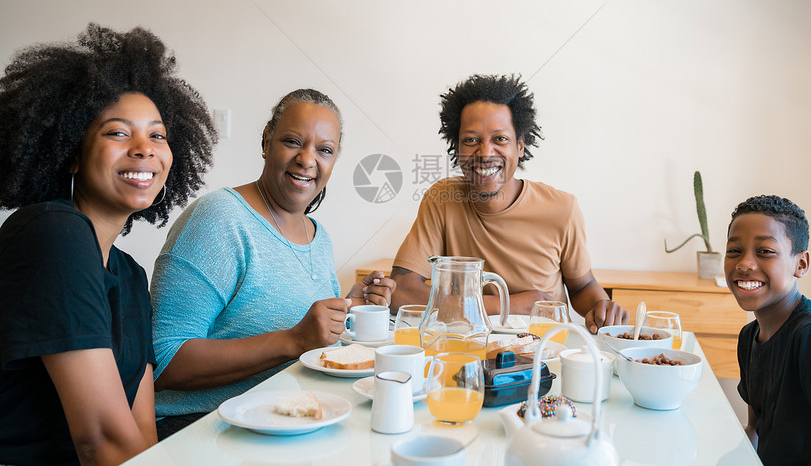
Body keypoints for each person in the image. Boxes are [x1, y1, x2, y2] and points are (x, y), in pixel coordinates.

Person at [0, 24, 217, 465]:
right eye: (118, 133)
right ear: (72, 152)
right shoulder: (51, 232)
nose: (144, 149)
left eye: (157, 135)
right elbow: (102, 441)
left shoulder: (130, 276)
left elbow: (140, 433)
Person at [150, 89, 395, 438]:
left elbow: (296, 321)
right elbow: (164, 360)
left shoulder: (317, 234)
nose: (308, 160)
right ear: (267, 141)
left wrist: (350, 304)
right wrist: (293, 340)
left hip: (288, 419)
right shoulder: (219, 218)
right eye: (293, 141)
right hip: (204, 427)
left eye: (324, 150)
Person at [388, 74, 627, 332]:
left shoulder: (562, 209)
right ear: (456, 147)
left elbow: (581, 287)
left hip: (545, 350)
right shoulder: (443, 200)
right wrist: (508, 304)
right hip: (469, 345)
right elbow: (401, 291)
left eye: (500, 139)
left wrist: (603, 307)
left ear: (520, 146)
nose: (485, 153)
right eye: (471, 140)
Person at [726, 195, 811, 465]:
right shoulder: (749, 337)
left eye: (764, 251)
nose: (744, 264)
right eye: (734, 251)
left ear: (801, 264)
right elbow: (756, 429)